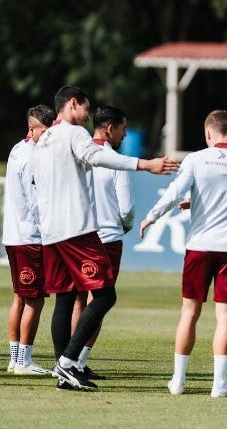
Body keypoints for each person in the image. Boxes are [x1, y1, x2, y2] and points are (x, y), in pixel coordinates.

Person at [29, 85, 179, 391]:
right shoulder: (73, 133)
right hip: (76, 229)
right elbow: (97, 157)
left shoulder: (43, 140)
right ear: (72, 104)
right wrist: (144, 164)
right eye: (85, 108)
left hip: (51, 232)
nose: (88, 115)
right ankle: (69, 362)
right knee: (105, 295)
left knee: (66, 298)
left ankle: (64, 371)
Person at [140, 110, 227, 397]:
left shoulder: (195, 159)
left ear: (207, 134)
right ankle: (219, 384)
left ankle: (178, 381)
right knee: (225, 317)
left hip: (199, 247)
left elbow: (174, 192)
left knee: (189, 313)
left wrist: (151, 216)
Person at [70, 105, 135, 381]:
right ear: (110, 129)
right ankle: (77, 360)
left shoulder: (76, 156)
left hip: (78, 235)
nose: (124, 134)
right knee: (100, 301)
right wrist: (126, 226)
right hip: (108, 238)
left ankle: (67, 357)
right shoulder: (114, 160)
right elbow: (127, 208)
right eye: (122, 128)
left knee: (77, 300)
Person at [3, 104, 56, 376]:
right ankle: (23, 360)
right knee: (35, 300)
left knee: (20, 298)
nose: (48, 137)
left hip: (13, 235)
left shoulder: (16, 149)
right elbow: (36, 203)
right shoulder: (32, 158)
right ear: (32, 129)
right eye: (44, 131)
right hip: (30, 237)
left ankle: (14, 357)